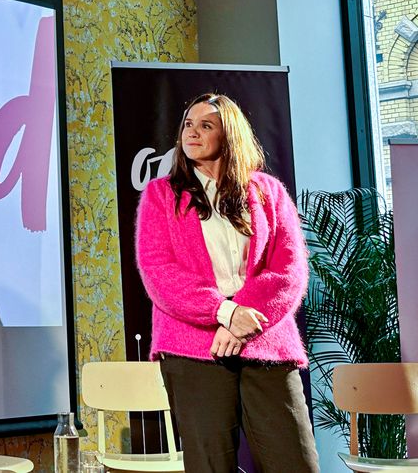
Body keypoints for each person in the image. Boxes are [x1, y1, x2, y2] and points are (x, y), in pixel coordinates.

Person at [135, 93, 319, 473]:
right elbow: (159, 271)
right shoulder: (160, 195)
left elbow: (289, 268)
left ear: (230, 134)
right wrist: (224, 310)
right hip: (191, 347)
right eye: (188, 124)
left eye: (206, 125)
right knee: (210, 465)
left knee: (294, 460)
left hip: (265, 340)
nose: (193, 133)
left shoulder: (268, 192)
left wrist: (242, 320)